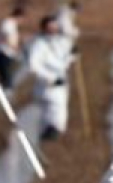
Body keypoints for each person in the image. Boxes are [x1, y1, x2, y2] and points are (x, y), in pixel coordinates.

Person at [28, 13, 77, 141]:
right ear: (44, 29)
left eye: (55, 28)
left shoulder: (59, 41)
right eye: (50, 28)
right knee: (54, 117)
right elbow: (33, 66)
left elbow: (62, 62)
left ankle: (48, 138)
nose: (53, 31)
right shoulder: (39, 44)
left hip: (61, 84)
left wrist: (72, 55)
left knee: (56, 115)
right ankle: (48, 138)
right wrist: (50, 78)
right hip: (48, 86)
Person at [0, 6, 25, 92]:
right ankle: (6, 94)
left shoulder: (12, 24)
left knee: (9, 78)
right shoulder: (8, 23)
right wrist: (17, 48)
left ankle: (8, 92)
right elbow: (8, 38)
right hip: (3, 53)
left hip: (9, 54)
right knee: (6, 80)